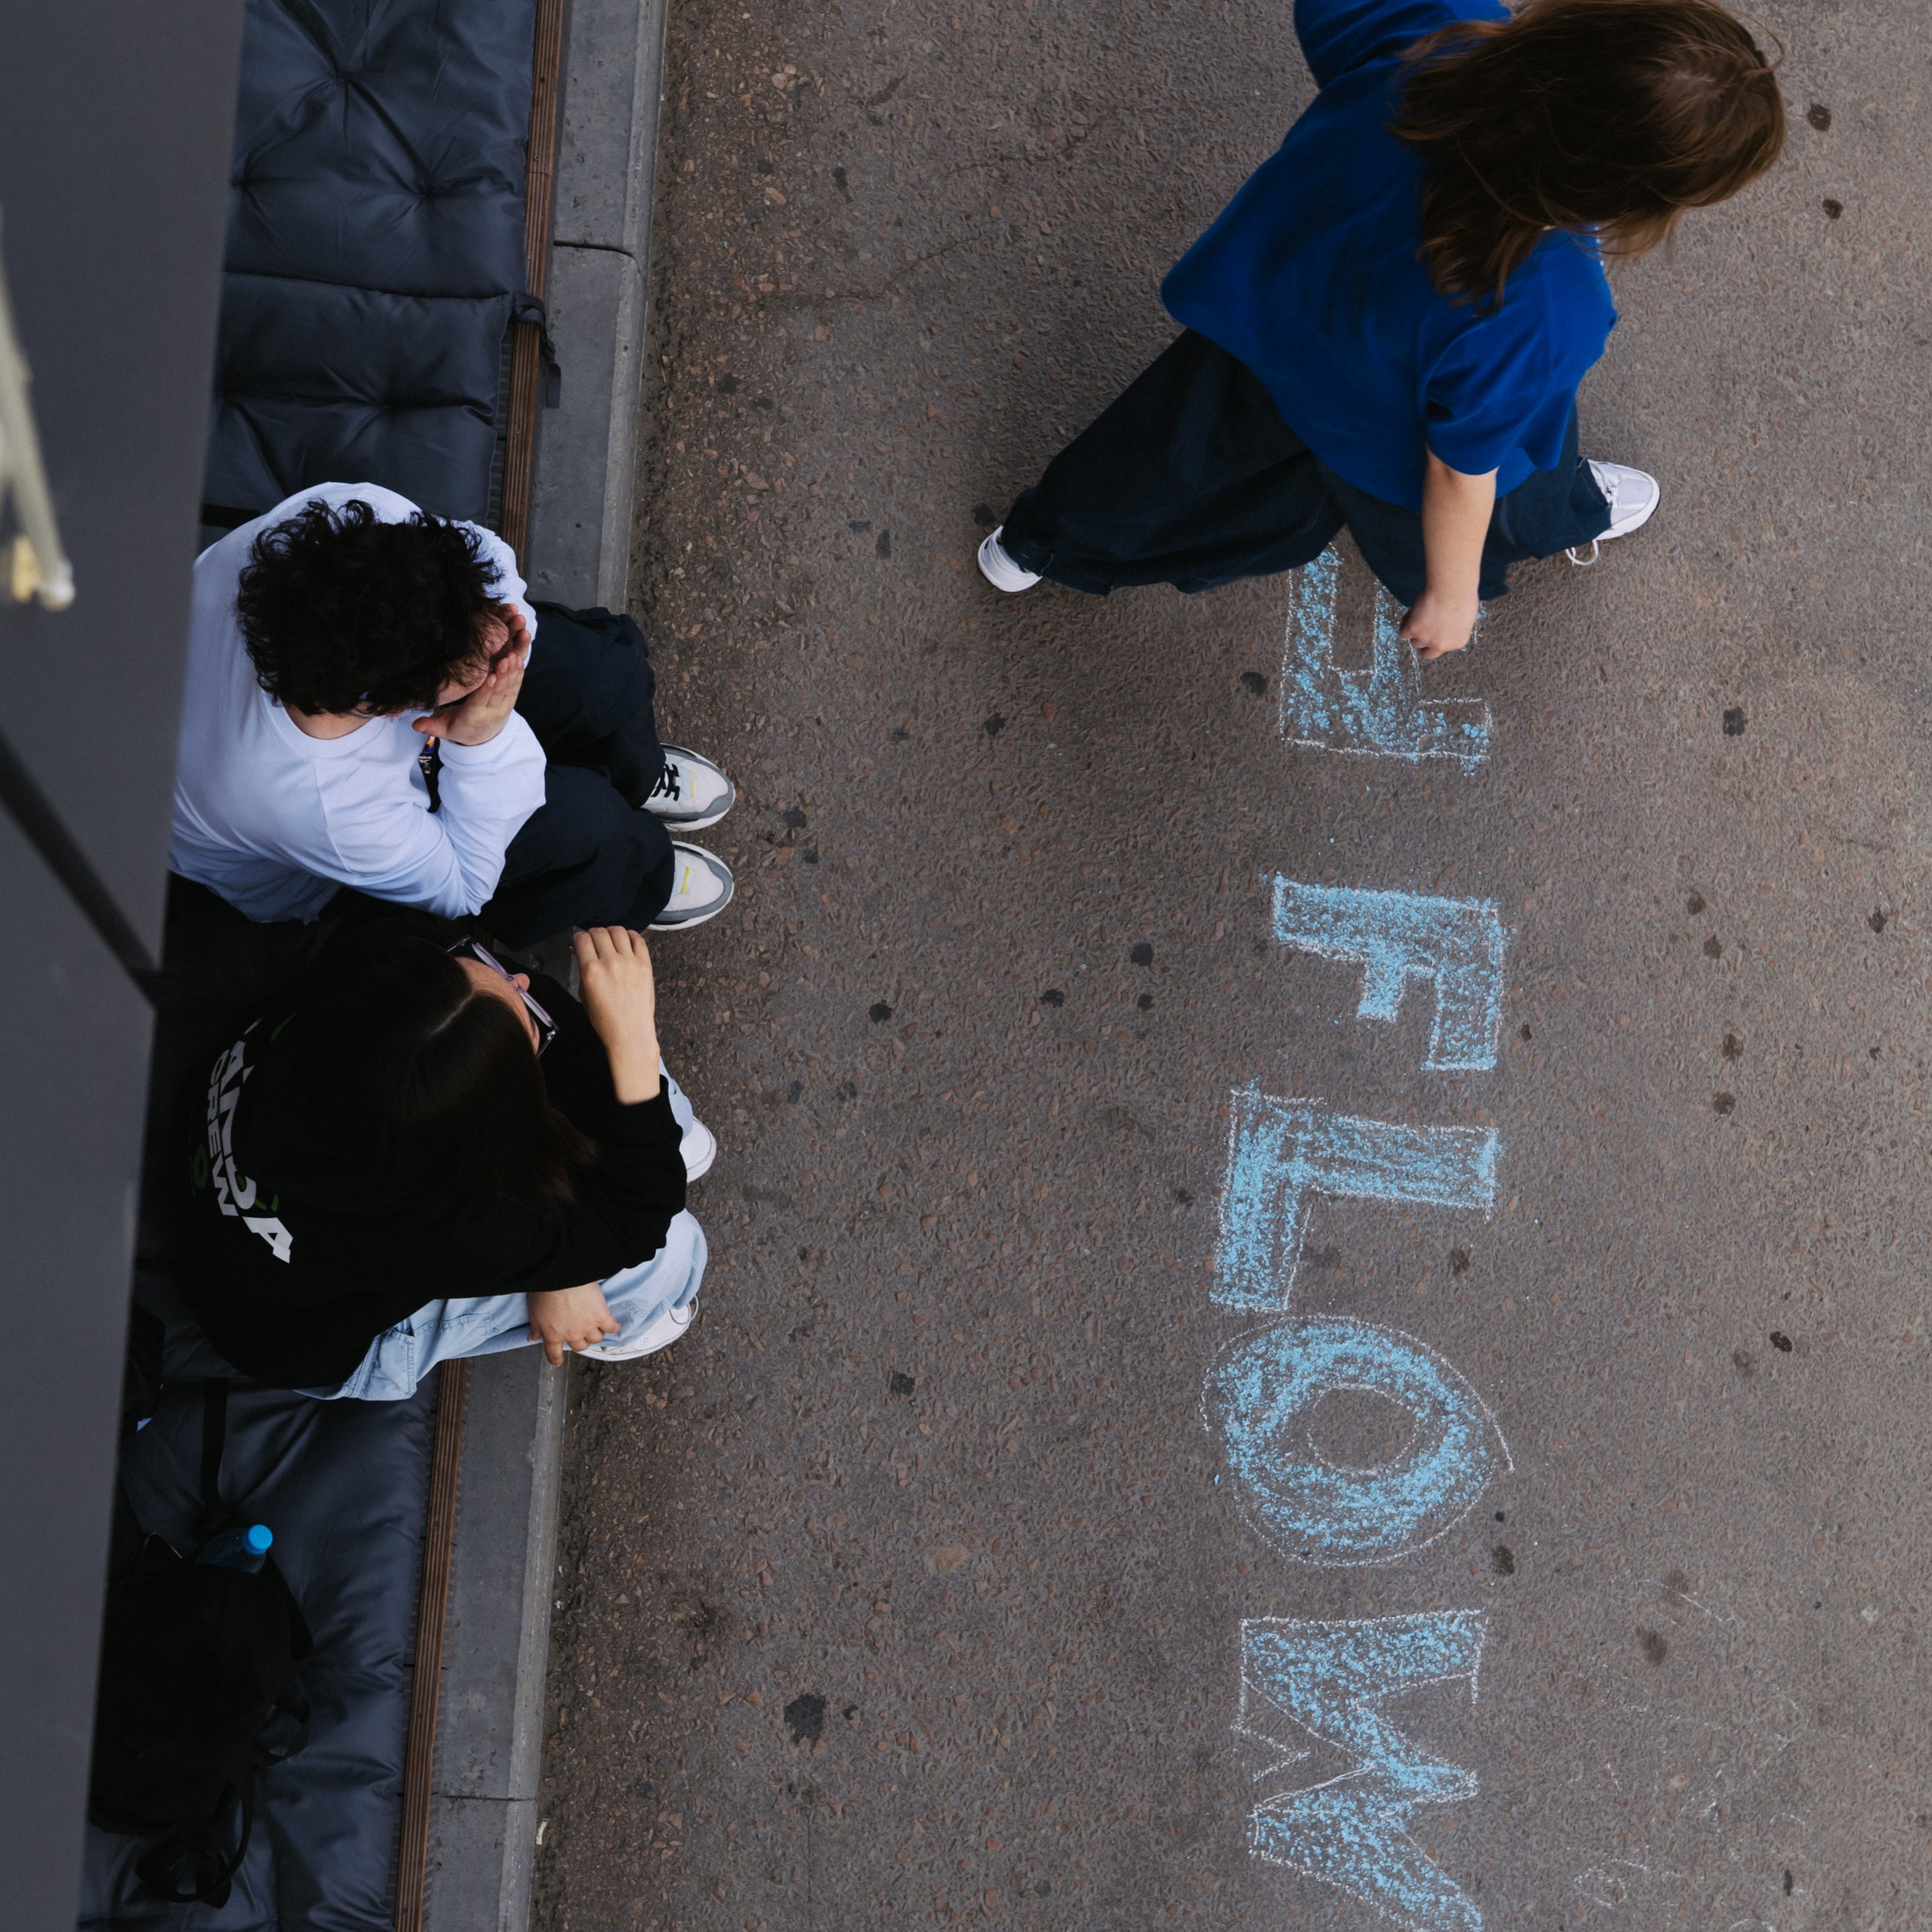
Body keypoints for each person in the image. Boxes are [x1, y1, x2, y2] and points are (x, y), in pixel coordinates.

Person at [977, 0, 1785, 657]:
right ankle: (1568, 511)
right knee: (1517, 478)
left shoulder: (1434, 39)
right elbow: (1457, 473)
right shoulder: (1548, 310)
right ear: (1639, 196)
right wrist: (1452, 595)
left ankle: (1037, 543)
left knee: (1160, 455)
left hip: (1263, 327)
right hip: (1377, 439)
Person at [172, 480, 736, 942]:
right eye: (469, 679)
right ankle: (637, 873)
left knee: (602, 672)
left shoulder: (353, 524)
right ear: (390, 709)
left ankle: (631, 774)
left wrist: (502, 633)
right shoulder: (317, 804)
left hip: (387, 681)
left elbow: (483, 557)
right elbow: (462, 883)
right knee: (581, 826)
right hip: (327, 871)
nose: (499, 655)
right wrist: (482, 742)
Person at [173, 919, 710, 1397]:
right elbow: (636, 1220)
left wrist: (558, 1256)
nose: (523, 984)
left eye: (479, 969)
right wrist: (634, 1039)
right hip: (309, 1333)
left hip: (254, 1217)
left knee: (661, 1115)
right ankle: (639, 1314)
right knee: (667, 1259)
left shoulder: (379, 972)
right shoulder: (429, 1226)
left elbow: (500, 1030)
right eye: (526, 1021)